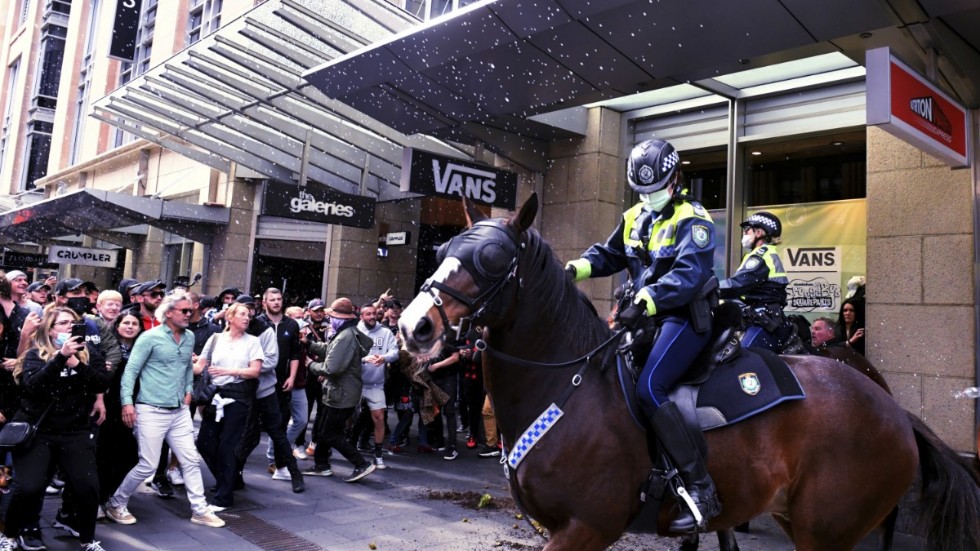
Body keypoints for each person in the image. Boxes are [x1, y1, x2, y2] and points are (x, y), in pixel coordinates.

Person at [564, 138, 720, 532]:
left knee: (650, 388)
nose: (649, 197)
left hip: (682, 317)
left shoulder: (694, 218)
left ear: (676, 179)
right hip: (644, 319)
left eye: (656, 189)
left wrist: (647, 299)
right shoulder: (635, 215)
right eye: (642, 191)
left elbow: (689, 275)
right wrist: (576, 269)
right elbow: (610, 254)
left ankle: (701, 489)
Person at [104, 293, 225, 528]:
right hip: (150, 408)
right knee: (147, 464)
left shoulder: (189, 337)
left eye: (191, 311)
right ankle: (116, 502)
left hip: (179, 410)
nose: (190, 315)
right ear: (169, 312)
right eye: (185, 311)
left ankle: (199, 510)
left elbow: (186, 368)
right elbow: (131, 372)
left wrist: (189, 389)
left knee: (190, 459)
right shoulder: (150, 338)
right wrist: (127, 403)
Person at [0, 306, 110, 551]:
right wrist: (60, 357)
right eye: (62, 323)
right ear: (50, 330)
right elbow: (32, 386)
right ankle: (9, 534)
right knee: (28, 487)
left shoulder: (89, 353)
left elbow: (102, 382)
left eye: (73, 323)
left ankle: (88, 539)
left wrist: (76, 364)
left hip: (75, 431)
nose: (69, 327)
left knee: (88, 487)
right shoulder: (34, 355)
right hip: (39, 431)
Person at [194, 303, 264, 508]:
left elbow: (255, 371)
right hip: (216, 395)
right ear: (230, 317)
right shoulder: (215, 339)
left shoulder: (253, 342)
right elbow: (200, 367)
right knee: (205, 443)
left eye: (249, 315)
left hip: (239, 396)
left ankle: (224, 496)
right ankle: (228, 479)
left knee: (228, 445)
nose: (247, 318)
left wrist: (229, 371)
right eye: (242, 314)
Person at [302, 298, 376, 483]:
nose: (329, 317)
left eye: (332, 315)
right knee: (323, 430)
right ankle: (321, 465)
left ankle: (361, 464)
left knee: (330, 434)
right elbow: (330, 350)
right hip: (340, 393)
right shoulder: (348, 333)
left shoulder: (345, 337)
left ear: (340, 318)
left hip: (341, 394)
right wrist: (309, 344)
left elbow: (331, 368)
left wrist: (311, 365)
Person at [718, 212, 797, 353]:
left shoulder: (762, 255)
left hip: (765, 321)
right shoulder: (763, 254)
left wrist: (710, 288)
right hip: (761, 318)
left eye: (747, 229)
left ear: (759, 232)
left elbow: (738, 285)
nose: (744, 233)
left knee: (742, 358)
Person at [353, 303, 399, 469]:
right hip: (355, 383)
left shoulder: (385, 332)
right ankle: (350, 447)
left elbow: (395, 353)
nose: (372, 317)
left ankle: (378, 455)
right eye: (368, 314)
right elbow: (346, 356)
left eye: (374, 314)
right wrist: (364, 359)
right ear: (361, 316)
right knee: (348, 418)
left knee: (379, 417)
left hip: (375, 385)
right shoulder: (354, 332)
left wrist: (384, 358)